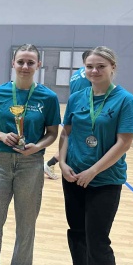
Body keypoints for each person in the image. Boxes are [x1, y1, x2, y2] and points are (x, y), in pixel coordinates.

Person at [59, 47, 133, 265]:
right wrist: (62, 163)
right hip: (73, 176)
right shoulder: (77, 97)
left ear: (113, 67)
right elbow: (66, 133)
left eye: (101, 66)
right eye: (90, 66)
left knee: (97, 239)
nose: (94, 71)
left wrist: (93, 171)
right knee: (77, 233)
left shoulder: (125, 100)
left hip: (105, 180)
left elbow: (123, 143)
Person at [0, 44, 61, 265]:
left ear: (38, 65)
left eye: (30, 62)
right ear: (13, 63)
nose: (25, 66)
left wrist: (38, 147)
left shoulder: (48, 97)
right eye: (21, 61)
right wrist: (2, 136)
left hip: (31, 164)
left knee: (26, 221)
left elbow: (52, 133)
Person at [44, 50, 93, 179]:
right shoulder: (91, 75)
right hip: (85, 112)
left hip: (74, 109)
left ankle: (51, 163)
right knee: (73, 141)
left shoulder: (75, 74)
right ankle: (51, 164)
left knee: (70, 140)